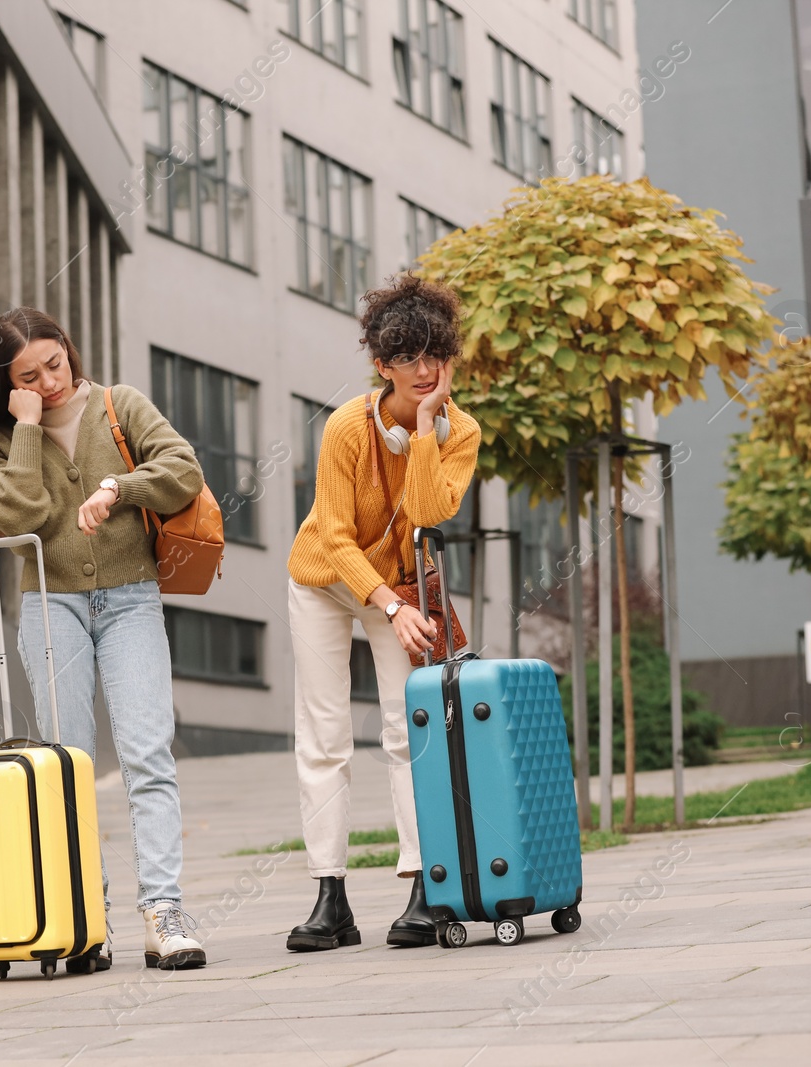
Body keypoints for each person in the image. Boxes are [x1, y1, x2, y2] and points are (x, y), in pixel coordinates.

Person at [0, 307, 207, 972]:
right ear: (7, 384)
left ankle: (164, 912)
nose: (49, 382)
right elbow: (19, 515)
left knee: (149, 755)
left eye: (54, 364)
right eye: (28, 377)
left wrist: (120, 485)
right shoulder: (1, 441)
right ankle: (86, 917)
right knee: (71, 767)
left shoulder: (120, 404)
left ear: (68, 348)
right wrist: (28, 426)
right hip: (50, 605)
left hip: (130, 599)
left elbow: (182, 469)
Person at [283, 273, 480, 952]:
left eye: (434, 355)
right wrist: (391, 604)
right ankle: (330, 896)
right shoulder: (346, 427)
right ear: (382, 364)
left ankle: (427, 886)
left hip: (395, 587)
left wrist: (425, 427)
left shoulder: (461, 431)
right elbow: (335, 537)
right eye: (407, 358)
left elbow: (428, 511)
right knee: (325, 734)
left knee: (411, 729)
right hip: (325, 583)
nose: (423, 370)